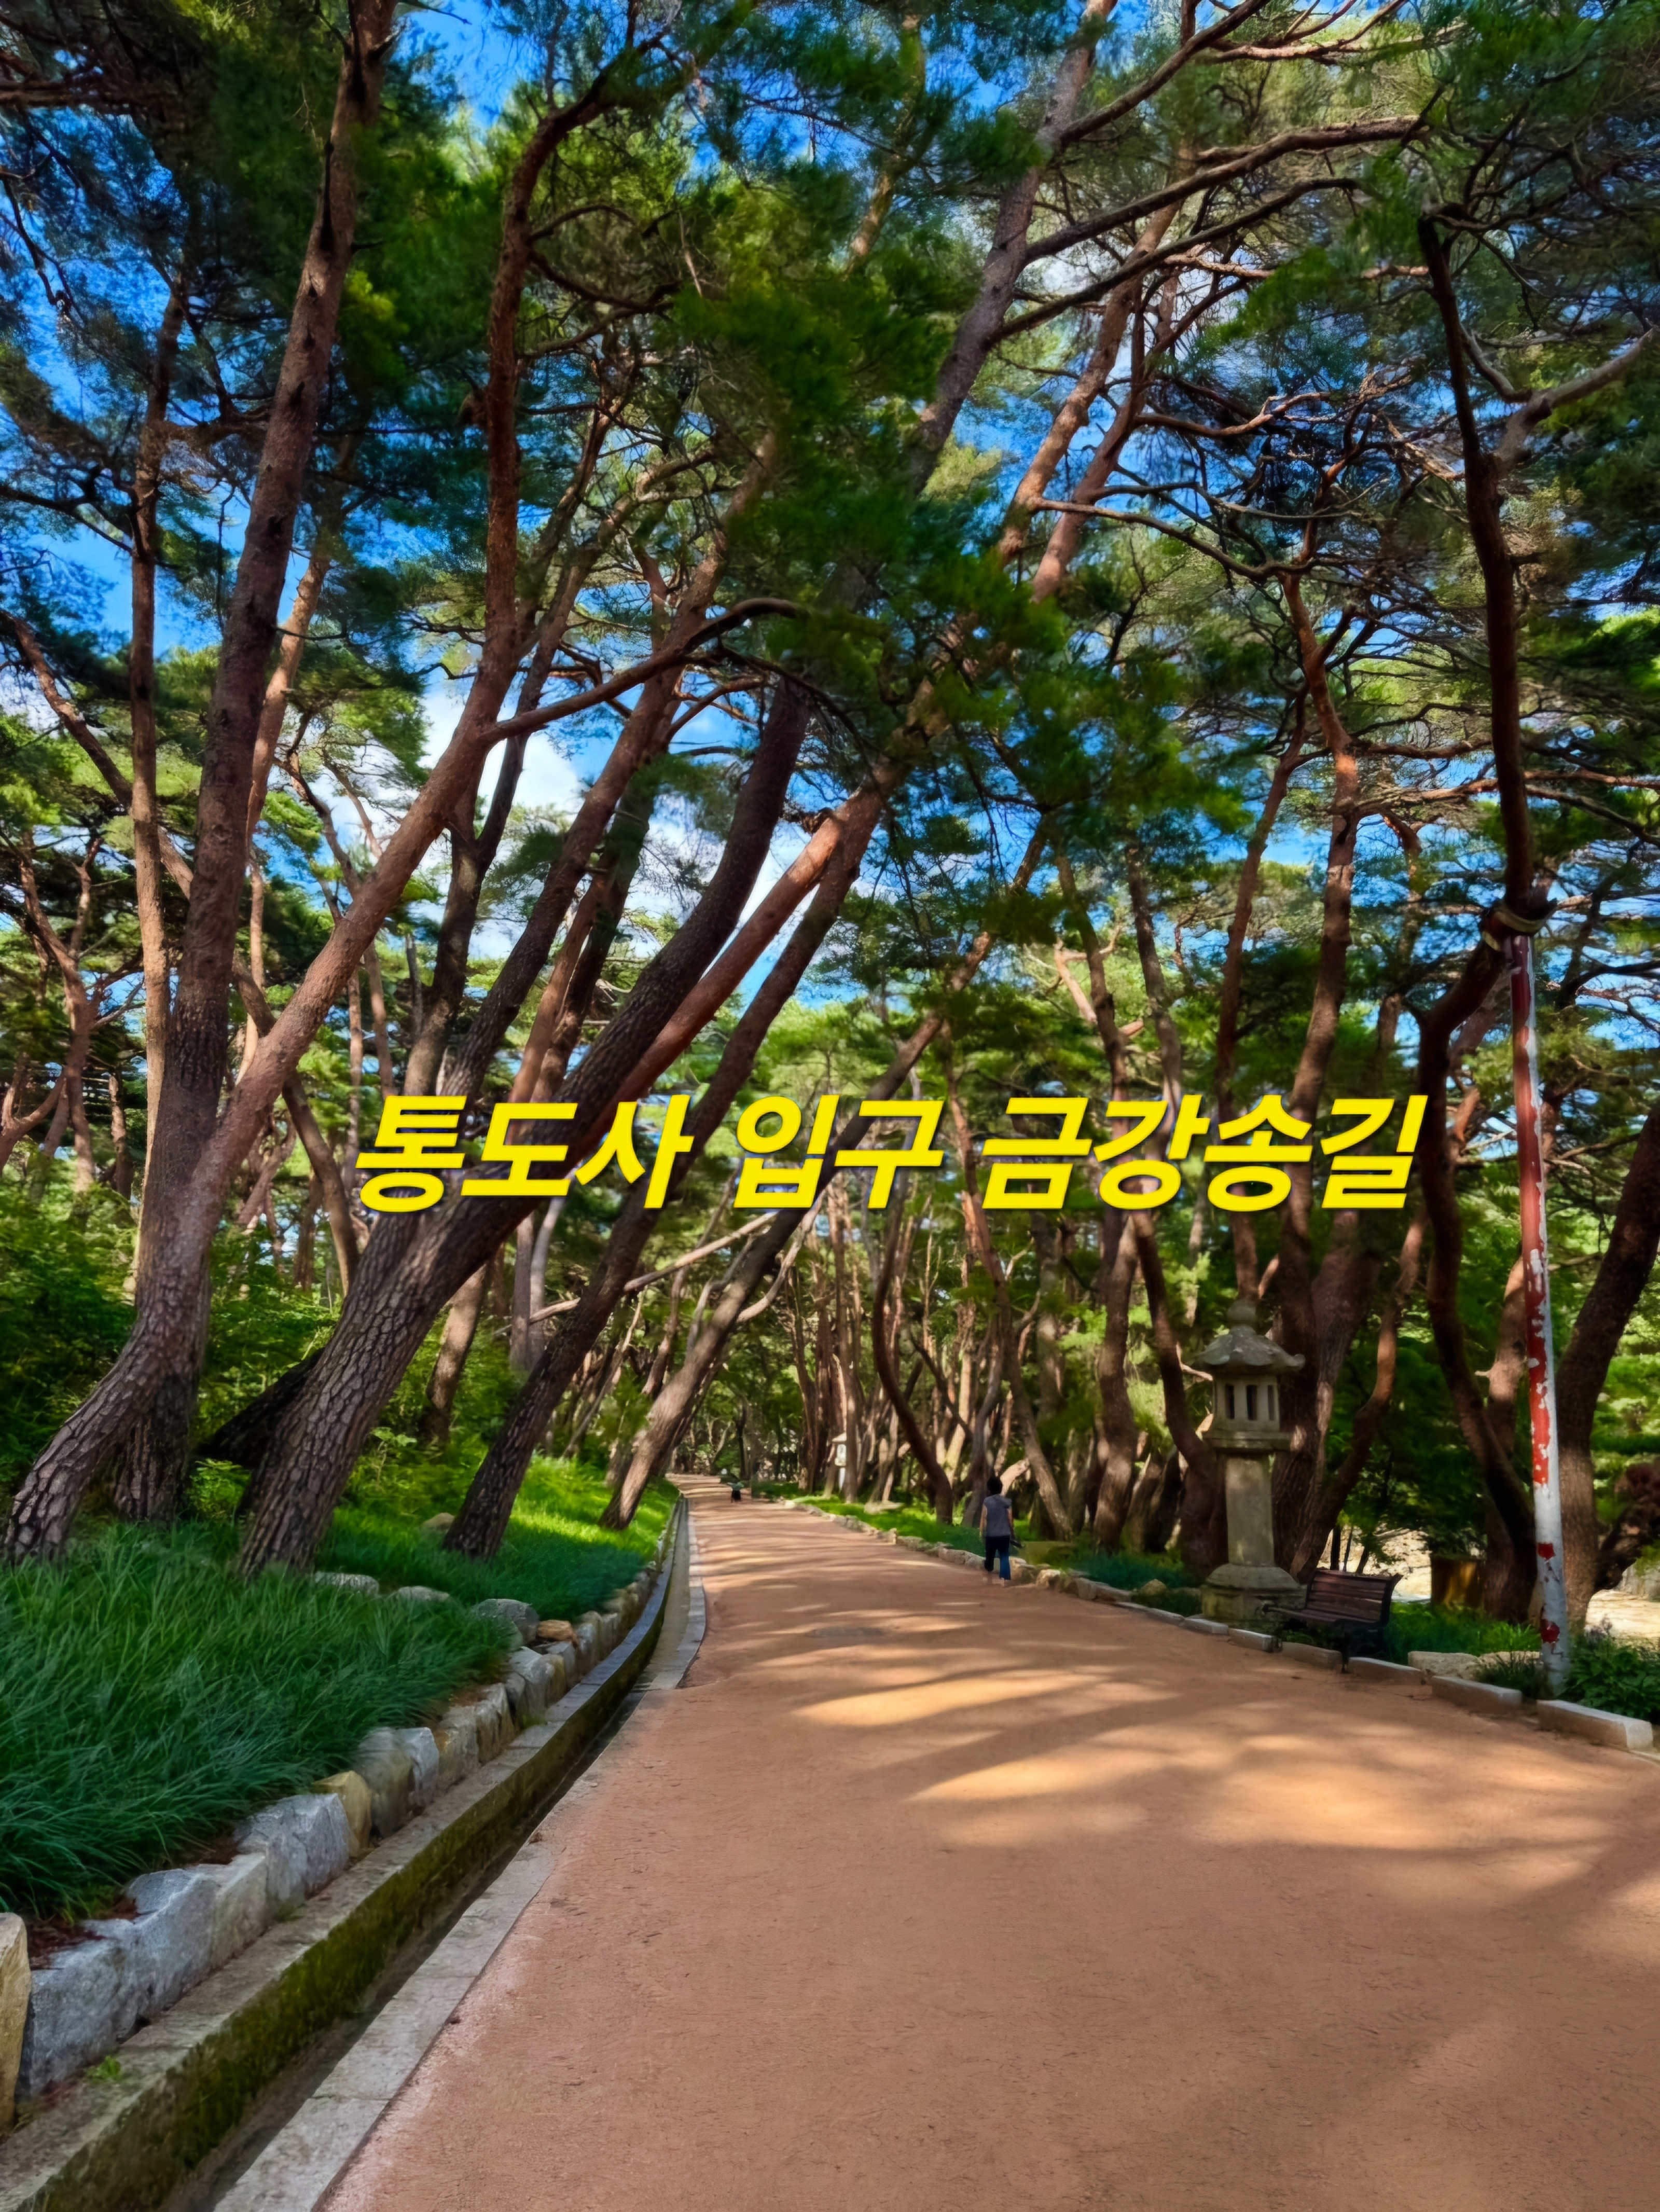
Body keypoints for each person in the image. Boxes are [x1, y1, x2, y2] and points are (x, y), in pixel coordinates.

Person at [980, 1474, 1013, 1582]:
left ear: (989, 1488)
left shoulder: (987, 1501)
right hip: (1005, 1534)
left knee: (990, 1555)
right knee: (1004, 1556)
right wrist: (1012, 1531)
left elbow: (984, 1516)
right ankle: (1005, 1579)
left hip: (991, 1535)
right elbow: (1010, 1518)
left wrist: (982, 1531)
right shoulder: (1007, 1501)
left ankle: (989, 1569)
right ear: (1001, 1488)